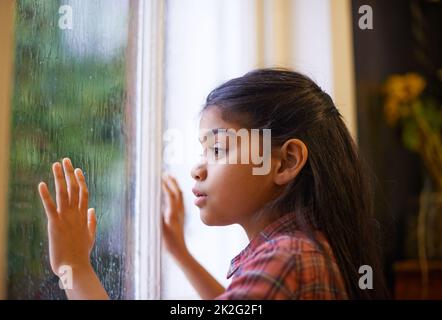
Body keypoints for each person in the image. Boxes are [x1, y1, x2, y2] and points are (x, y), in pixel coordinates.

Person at [38, 69, 388, 300]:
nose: (197, 169)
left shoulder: (286, 259)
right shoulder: (307, 249)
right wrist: (180, 253)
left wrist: (74, 267)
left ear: (285, 162)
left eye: (218, 149)